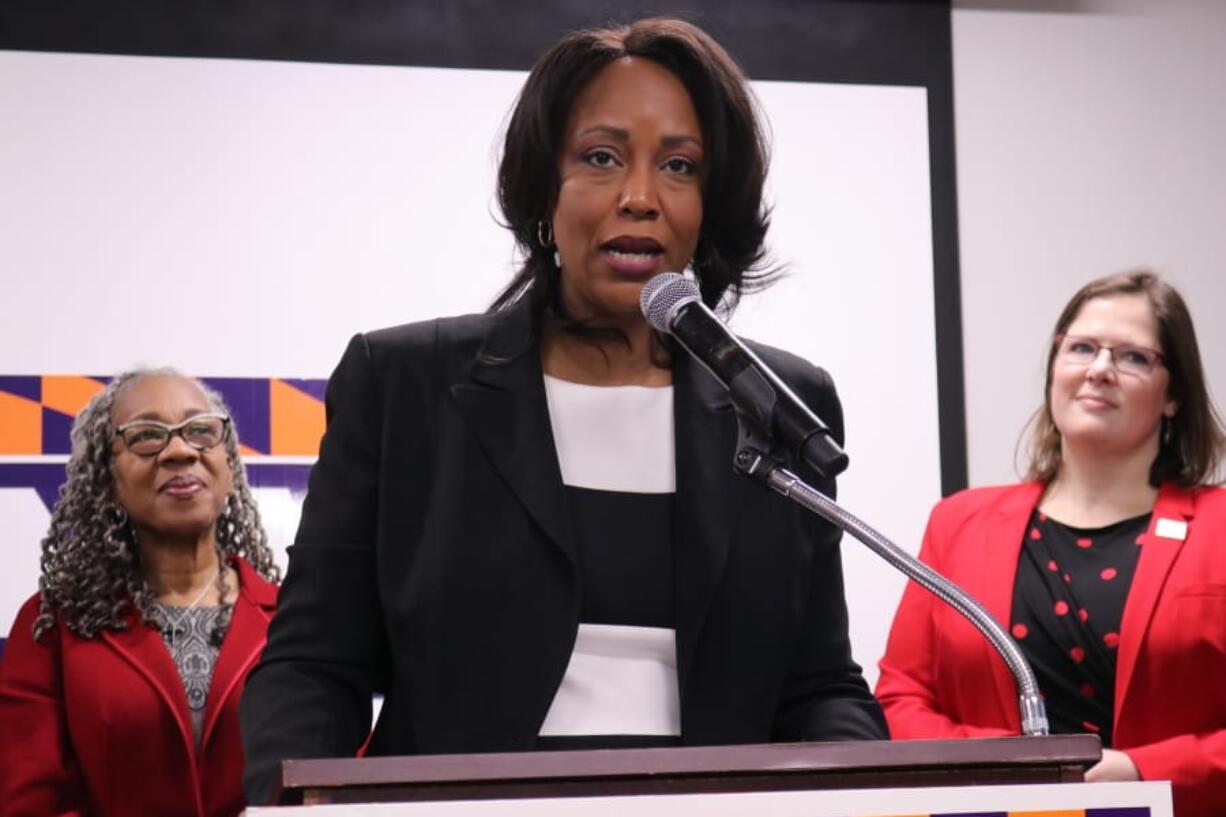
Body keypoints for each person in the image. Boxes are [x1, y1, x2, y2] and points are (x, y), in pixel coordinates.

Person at [241, 16, 886, 805]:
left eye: (680, 166)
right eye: (602, 158)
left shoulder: (777, 401)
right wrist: (281, 803)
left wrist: (862, 790)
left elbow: (819, 684)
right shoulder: (405, 384)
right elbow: (316, 662)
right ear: (542, 188)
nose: (640, 197)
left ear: (709, 206)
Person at [876, 271, 1226, 817]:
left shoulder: (1219, 527)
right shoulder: (958, 523)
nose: (1099, 369)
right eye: (1082, 348)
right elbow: (901, 699)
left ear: (1173, 395)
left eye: (1133, 357)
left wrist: (1143, 773)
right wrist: (1012, 775)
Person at [0, 369, 281, 817]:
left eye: (201, 430)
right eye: (147, 435)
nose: (180, 450)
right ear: (107, 480)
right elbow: (29, 804)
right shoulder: (53, 627)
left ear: (230, 467)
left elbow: (337, 787)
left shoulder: (293, 621)